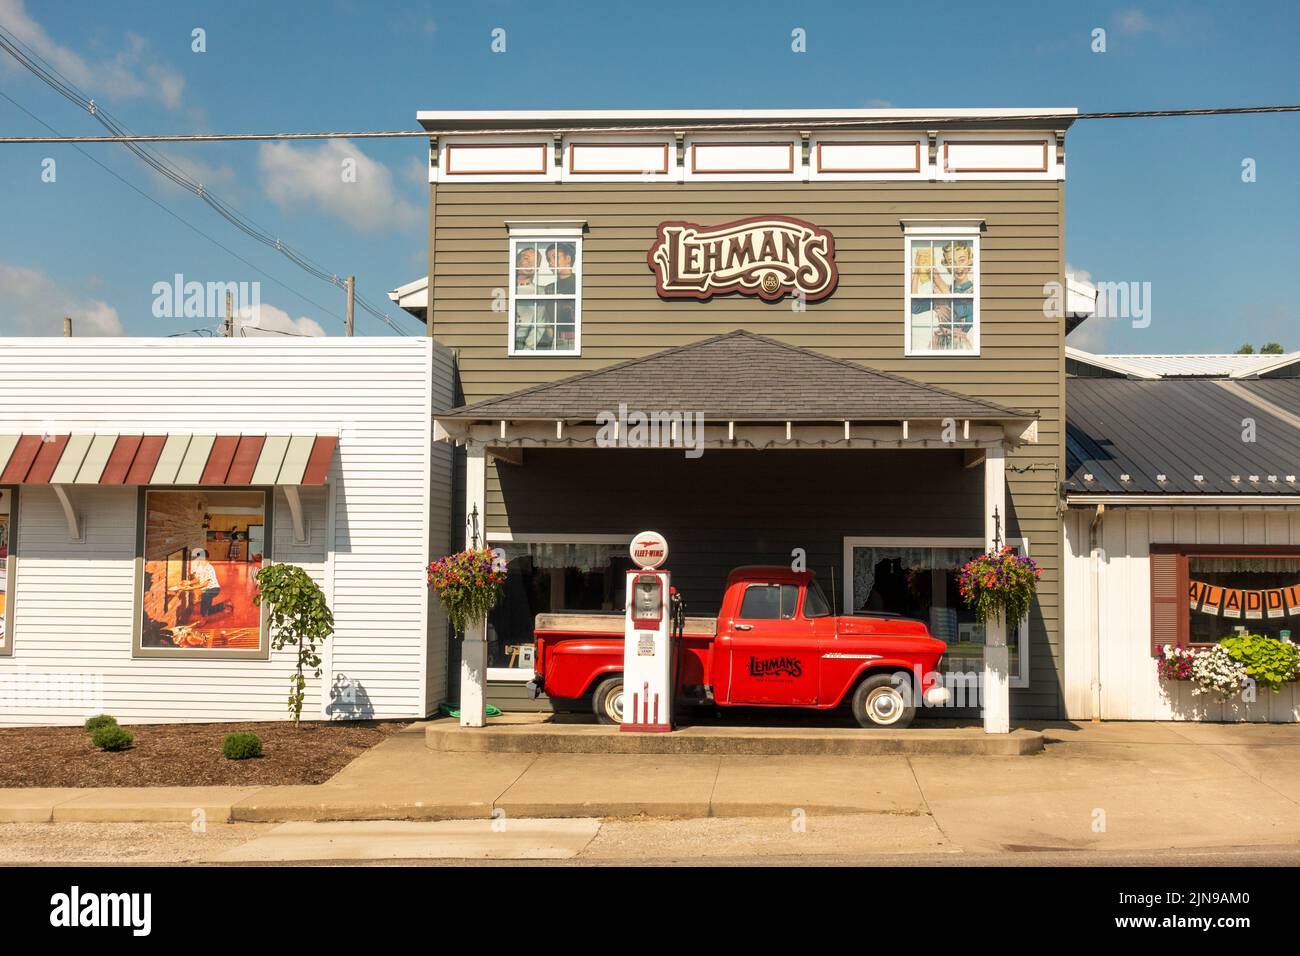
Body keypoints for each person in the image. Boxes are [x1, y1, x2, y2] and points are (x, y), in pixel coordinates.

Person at [191, 548, 225, 616]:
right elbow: (197, 579)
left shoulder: (210, 568)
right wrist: (189, 583)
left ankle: (205, 614)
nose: (199, 561)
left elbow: (205, 584)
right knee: (207, 609)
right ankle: (223, 605)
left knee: (205, 597)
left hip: (214, 589)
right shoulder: (199, 567)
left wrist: (192, 588)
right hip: (206, 590)